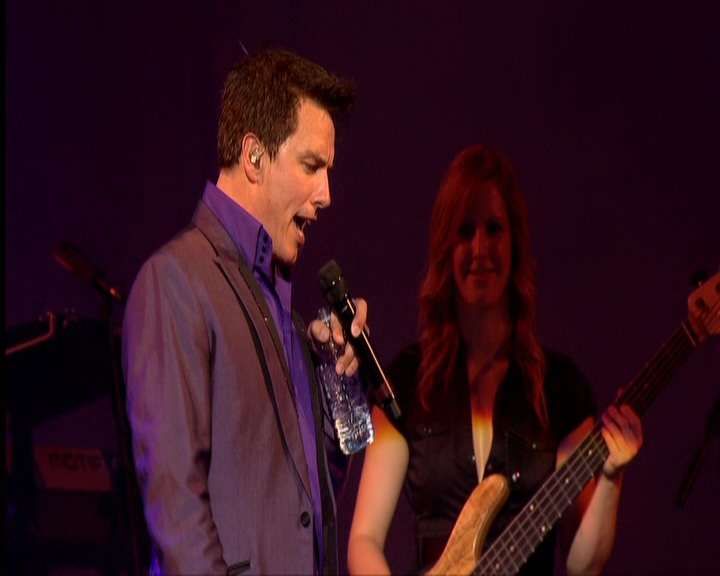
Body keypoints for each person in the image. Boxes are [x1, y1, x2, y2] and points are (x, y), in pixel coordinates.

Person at [347, 144, 643, 576]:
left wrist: (612, 477)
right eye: (465, 231)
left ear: (515, 242)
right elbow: (364, 540)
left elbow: (583, 564)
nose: (480, 249)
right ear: (446, 246)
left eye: (494, 229)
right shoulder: (406, 381)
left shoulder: (560, 389)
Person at [122, 47, 365, 575]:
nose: (326, 194)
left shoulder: (284, 312)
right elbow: (176, 505)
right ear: (254, 157)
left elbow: (309, 503)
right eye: (311, 166)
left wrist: (337, 377)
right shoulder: (176, 280)